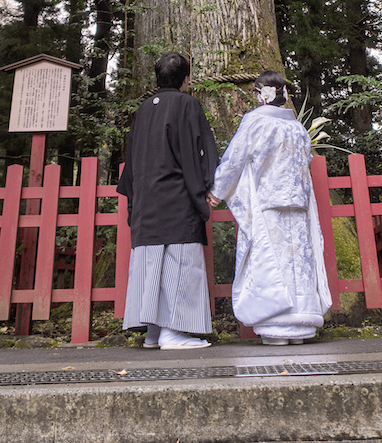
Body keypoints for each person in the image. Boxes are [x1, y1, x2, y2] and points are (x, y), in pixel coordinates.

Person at [207, 71, 332, 345]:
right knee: (298, 261)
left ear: (263, 94)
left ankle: (276, 325)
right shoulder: (298, 129)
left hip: (268, 203)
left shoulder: (255, 122)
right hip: (297, 205)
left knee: (271, 259)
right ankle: (302, 324)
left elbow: (235, 159)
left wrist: (218, 190)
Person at [117, 52, 219, 349]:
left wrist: (134, 202)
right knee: (179, 265)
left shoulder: (142, 110)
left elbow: (132, 161)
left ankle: (153, 331)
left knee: (151, 267)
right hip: (177, 200)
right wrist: (209, 186)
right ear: (185, 79)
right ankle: (174, 332)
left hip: (146, 202)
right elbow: (201, 150)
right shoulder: (188, 104)